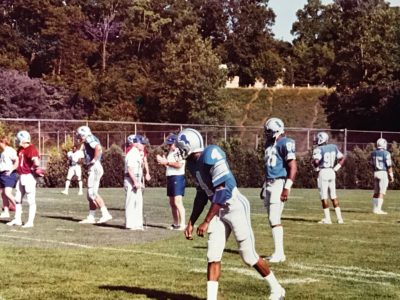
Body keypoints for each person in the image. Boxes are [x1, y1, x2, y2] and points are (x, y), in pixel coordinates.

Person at [176, 128, 285, 300]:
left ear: (190, 146)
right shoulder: (191, 164)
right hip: (217, 210)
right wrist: (191, 221)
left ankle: (277, 288)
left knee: (248, 256)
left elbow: (222, 192)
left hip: (234, 206)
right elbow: (202, 193)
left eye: (180, 146)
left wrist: (206, 221)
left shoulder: (212, 154)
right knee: (213, 255)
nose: (177, 150)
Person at [260, 117, 297, 263]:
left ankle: (280, 254)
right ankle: (278, 252)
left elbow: (293, 167)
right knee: (272, 219)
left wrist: (287, 188)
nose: (266, 134)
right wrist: (264, 185)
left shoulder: (286, 142)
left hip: (278, 183)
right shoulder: (269, 144)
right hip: (269, 183)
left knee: (274, 219)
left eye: (268, 131)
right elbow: (268, 167)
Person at [76, 126, 112, 224]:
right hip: (94, 167)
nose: (79, 137)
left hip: (95, 167)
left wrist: (94, 160)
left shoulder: (89, 138)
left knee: (93, 193)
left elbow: (98, 148)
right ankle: (91, 217)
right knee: (89, 195)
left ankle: (105, 214)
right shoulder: (88, 140)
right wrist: (84, 161)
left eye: (79, 135)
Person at [7, 130, 44, 228]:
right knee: (18, 199)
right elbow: (18, 162)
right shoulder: (20, 149)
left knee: (31, 200)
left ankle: (30, 222)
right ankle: (17, 220)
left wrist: (33, 169)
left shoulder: (31, 149)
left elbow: (36, 162)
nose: (17, 141)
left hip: (29, 176)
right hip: (21, 176)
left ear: (22, 139)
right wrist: (11, 170)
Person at [312, 131, 345, 224]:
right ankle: (340, 219)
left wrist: (315, 166)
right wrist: (336, 167)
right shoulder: (333, 147)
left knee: (324, 197)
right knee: (333, 196)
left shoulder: (318, 149)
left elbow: (316, 162)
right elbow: (342, 158)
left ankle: (328, 219)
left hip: (323, 172)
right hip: (331, 171)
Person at [156, 134, 186, 230]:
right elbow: (169, 166)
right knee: (172, 203)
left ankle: (182, 224)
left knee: (178, 202)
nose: (169, 146)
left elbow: (179, 165)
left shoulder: (179, 152)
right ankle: (175, 223)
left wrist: (166, 162)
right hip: (170, 177)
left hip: (178, 178)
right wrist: (163, 162)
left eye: (171, 144)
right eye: (168, 144)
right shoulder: (170, 152)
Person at [124, 134, 145, 230]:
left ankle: (138, 223)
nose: (144, 145)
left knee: (138, 202)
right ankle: (130, 224)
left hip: (136, 180)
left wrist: (140, 181)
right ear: (136, 143)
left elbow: (139, 169)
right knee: (131, 201)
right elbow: (130, 169)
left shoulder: (138, 153)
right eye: (142, 143)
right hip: (131, 180)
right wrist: (135, 182)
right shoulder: (132, 153)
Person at [370, 138, 393, 214]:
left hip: (376, 172)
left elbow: (372, 165)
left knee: (376, 192)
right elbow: (389, 165)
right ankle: (378, 209)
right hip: (383, 172)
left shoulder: (373, 153)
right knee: (381, 192)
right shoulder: (386, 153)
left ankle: (374, 209)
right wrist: (391, 175)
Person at [0, 135, 18, 219]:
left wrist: (11, 170)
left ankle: (18, 208)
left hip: (9, 174)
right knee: (3, 194)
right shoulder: (3, 152)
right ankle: (6, 212)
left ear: (2, 142)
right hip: (2, 174)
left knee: (7, 193)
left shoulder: (10, 150)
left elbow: (16, 161)